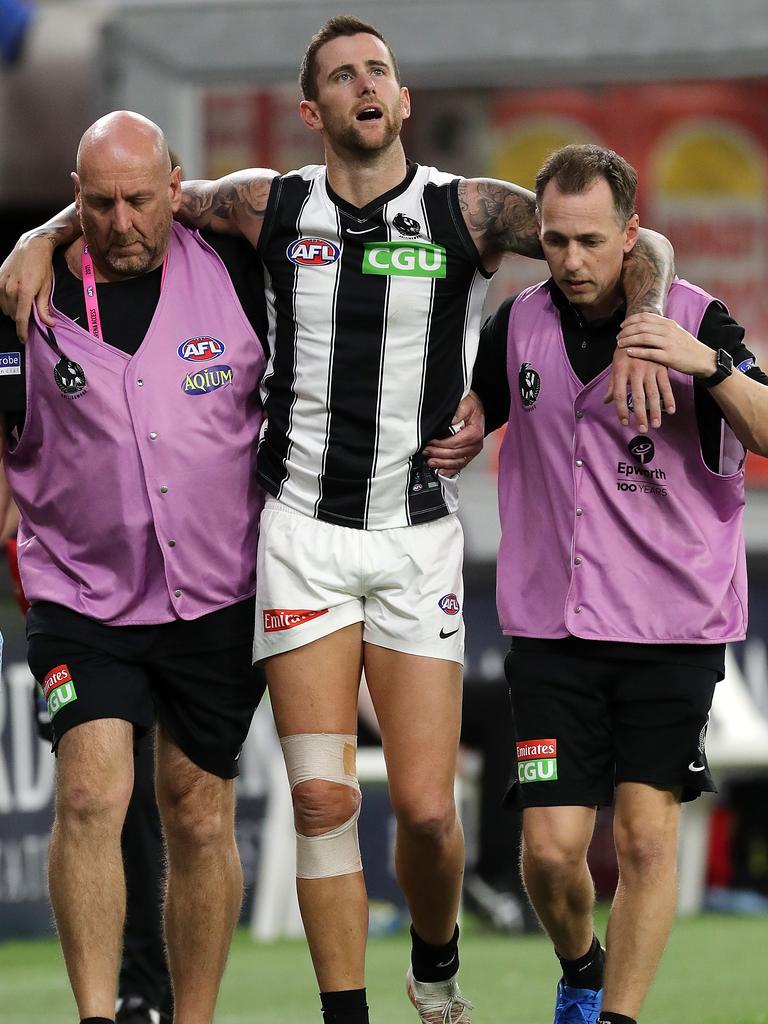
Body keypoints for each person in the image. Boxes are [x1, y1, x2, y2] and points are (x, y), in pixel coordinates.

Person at [0, 21, 674, 1024]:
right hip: (301, 534)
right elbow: (134, 194)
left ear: (401, 102)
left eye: (381, 72)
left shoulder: (471, 213)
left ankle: (437, 961)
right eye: (343, 76)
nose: (368, 85)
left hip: (414, 539)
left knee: (427, 814)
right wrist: (41, 233)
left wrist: (648, 328)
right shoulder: (269, 206)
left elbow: (634, 237)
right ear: (313, 112)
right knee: (318, 799)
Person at [473, 143, 768, 1024]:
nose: (570, 260)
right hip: (552, 629)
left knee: (644, 839)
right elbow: (475, 410)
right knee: (553, 853)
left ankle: (618, 1020)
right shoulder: (517, 322)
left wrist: (705, 365)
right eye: (555, 241)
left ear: (632, 233)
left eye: (590, 241)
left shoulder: (696, 318)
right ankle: (580, 966)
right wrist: (457, 430)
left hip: (671, 628)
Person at [0, 111, 271, 1024]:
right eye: (99, 203)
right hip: (81, 590)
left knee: (196, 812)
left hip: (216, 590)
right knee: (89, 793)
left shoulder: (237, 267)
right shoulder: (21, 296)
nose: (122, 222)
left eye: (140, 200)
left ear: (177, 187)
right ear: (74, 200)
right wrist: (39, 239)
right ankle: (95, 1015)